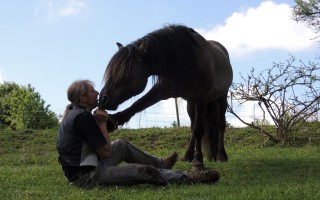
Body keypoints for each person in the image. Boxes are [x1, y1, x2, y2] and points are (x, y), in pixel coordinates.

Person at [56, 79, 220, 188]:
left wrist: (102, 124)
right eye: (93, 91)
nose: (97, 93)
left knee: (120, 145)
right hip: (87, 177)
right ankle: (188, 178)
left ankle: (161, 163)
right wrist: (101, 123)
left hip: (91, 165)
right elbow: (105, 153)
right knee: (144, 171)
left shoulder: (77, 114)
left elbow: (99, 148)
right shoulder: (83, 118)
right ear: (84, 98)